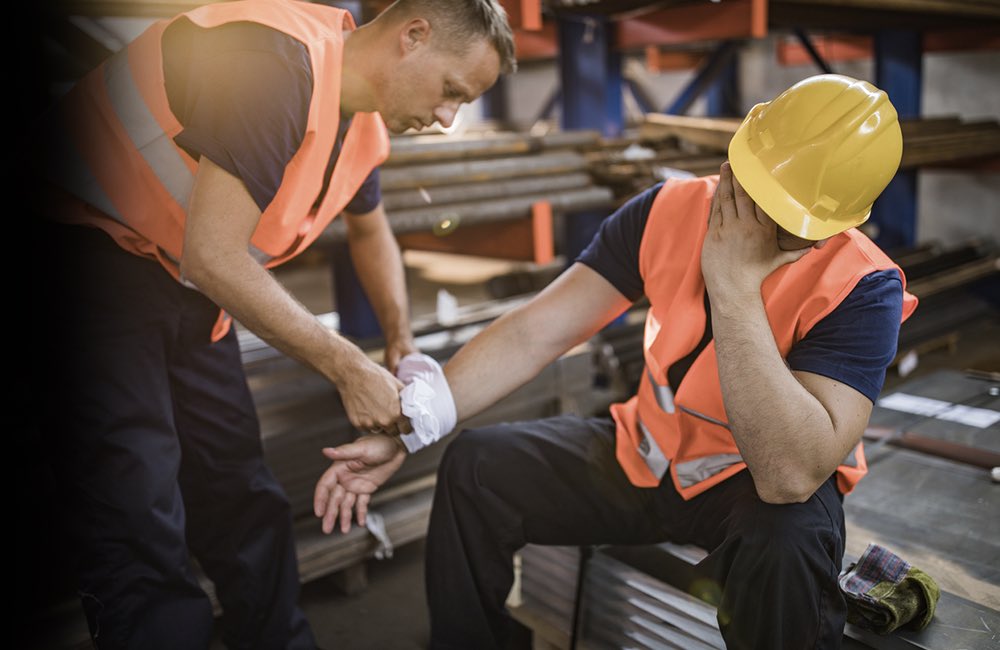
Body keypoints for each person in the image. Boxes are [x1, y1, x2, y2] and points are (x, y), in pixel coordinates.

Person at [314, 73, 919, 649]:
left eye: (787, 222)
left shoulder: (860, 286)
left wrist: (734, 285)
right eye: (752, 192)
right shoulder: (666, 211)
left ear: (828, 230)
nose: (758, 222)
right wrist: (413, 423)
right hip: (644, 456)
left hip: (746, 490)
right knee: (475, 468)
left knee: (790, 541)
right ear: (734, 160)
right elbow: (536, 332)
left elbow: (789, 474)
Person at [31, 0, 515, 647]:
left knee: (237, 485)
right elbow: (215, 254)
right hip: (87, 252)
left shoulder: (361, 124)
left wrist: (401, 342)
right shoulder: (273, 61)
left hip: (182, 278)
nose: (447, 118)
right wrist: (348, 367)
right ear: (414, 37)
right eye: (452, 91)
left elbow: (371, 235)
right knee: (136, 503)